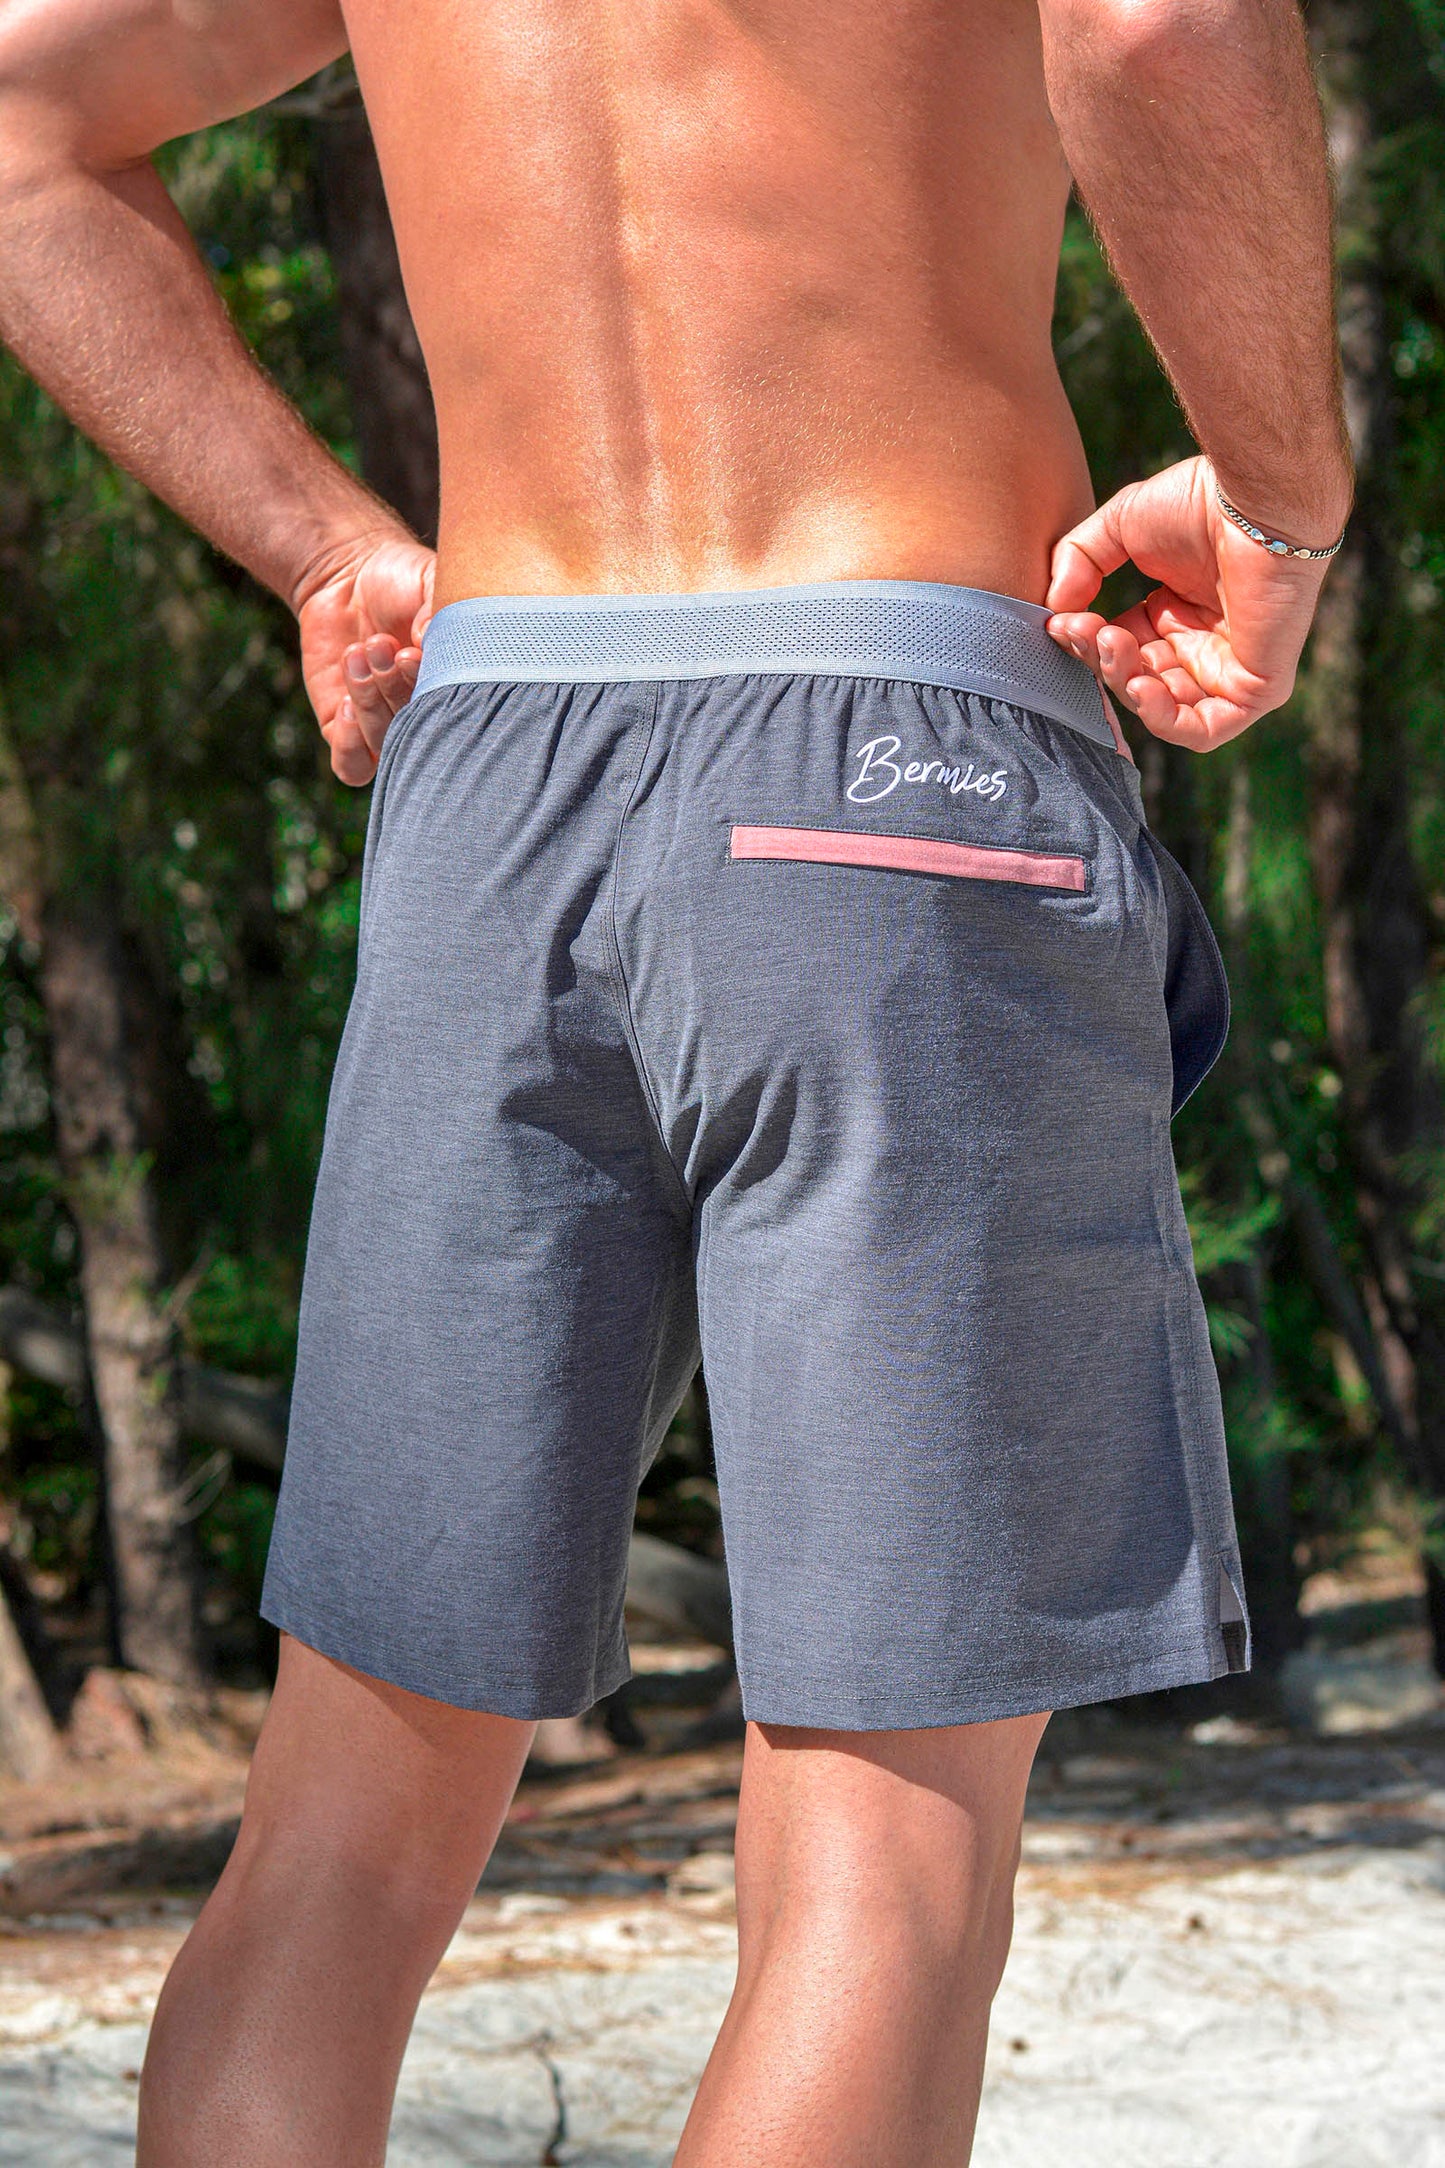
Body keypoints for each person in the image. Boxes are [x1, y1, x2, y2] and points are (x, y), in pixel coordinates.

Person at [0, 0, 1351, 2158]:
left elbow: (22, 113)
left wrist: (323, 545)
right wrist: (1280, 500)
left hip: (494, 775)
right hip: (892, 752)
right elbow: (1159, 21)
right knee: (881, 1871)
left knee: (337, 1850)